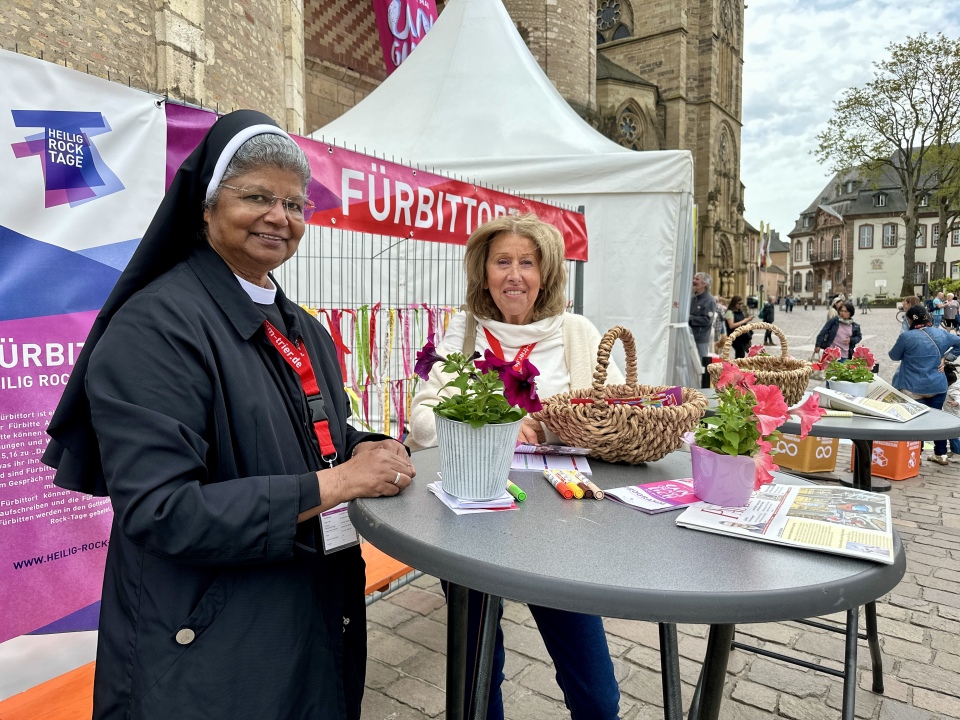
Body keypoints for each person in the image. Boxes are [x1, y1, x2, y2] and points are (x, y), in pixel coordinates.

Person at [41, 110, 416, 719]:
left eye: (294, 204)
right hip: (206, 650)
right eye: (257, 196)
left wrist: (367, 447)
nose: (279, 217)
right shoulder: (156, 327)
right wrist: (340, 482)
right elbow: (164, 510)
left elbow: (317, 434)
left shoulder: (305, 330)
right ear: (208, 207)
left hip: (306, 616)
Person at [410, 214, 623, 720]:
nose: (514, 275)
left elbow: (617, 411)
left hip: (560, 527)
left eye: (527, 262)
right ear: (482, 273)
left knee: (593, 687)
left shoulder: (576, 332)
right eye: (501, 261)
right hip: (471, 518)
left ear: (546, 273)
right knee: (478, 674)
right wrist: (500, 429)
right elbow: (421, 421)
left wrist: (544, 425)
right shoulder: (464, 332)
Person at [888, 306, 960, 465]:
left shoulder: (907, 337)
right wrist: (946, 358)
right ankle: (940, 455)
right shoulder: (941, 333)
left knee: (916, 422)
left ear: (910, 320)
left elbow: (893, 356)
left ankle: (915, 456)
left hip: (912, 386)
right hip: (937, 385)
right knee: (937, 419)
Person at [689, 271, 717, 360]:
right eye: (694, 278)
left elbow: (707, 320)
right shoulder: (693, 299)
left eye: (697, 279)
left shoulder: (710, 300)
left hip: (700, 339)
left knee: (700, 364)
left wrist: (690, 318)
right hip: (689, 336)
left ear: (704, 284)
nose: (694, 281)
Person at [941, 362, 960, 458]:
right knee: (951, 435)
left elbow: (958, 397)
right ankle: (954, 451)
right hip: (951, 414)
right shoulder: (954, 386)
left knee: (953, 436)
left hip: (954, 416)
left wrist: (957, 403)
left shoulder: (952, 390)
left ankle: (958, 453)